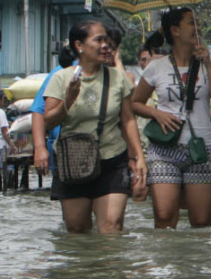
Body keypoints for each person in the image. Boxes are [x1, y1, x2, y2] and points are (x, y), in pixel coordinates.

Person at [42, 19, 144, 233]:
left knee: (112, 227)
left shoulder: (118, 78)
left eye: (107, 40)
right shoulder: (61, 78)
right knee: (78, 230)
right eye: (98, 40)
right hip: (73, 162)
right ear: (79, 46)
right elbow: (48, 121)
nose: (106, 45)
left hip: (112, 160)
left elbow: (128, 119)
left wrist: (138, 157)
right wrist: (68, 100)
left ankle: (111, 267)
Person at [130, 8, 211, 228]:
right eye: (191, 23)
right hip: (164, 148)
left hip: (201, 148)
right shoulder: (157, 67)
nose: (198, 27)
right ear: (175, 30)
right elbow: (135, 103)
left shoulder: (209, 62)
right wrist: (157, 113)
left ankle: (197, 262)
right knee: (164, 218)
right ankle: (166, 262)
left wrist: (208, 65)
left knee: (202, 222)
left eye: (199, 23)